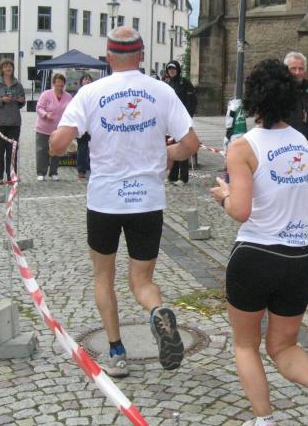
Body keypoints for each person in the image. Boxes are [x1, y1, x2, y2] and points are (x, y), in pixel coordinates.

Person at [209, 58, 308, 426]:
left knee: (246, 345)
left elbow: (241, 210)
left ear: (253, 100)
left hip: (255, 254)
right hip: (298, 257)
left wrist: (224, 195)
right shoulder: (302, 143)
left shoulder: (243, 146)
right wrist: (291, 198)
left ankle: (265, 425)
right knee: (284, 345)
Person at [50, 26, 201, 377]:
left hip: (105, 201)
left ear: (107, 56)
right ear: (141, 55)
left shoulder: (90, 92)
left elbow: (56, 145)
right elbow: (191, 144)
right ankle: (157, 312)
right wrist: (168, 154)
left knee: (103, 276)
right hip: (146, 201)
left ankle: (116, 351)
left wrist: (65, 137)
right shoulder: (162, 91)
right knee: (142, 281)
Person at [0, 59, 26, 184]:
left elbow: (22, 102)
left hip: (14, 122)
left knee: (12, 152)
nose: (8, 68)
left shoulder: (18, 84)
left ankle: (11, 176)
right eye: (5, 66)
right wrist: (2, 100)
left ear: (13, 68)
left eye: (10, 66)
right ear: (1, 69)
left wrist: (21, 100)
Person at [164, 60, 198, 185]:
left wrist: (188, 117)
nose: (172, 71)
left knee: (184, 147)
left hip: (182, 120)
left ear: (178, 69)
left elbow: (193, 101)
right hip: (171, 121)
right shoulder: (168, 84)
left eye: (173, 68)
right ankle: (172, 176)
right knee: (173, 147)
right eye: (169, 69)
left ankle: (183, 178)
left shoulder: (185, 83)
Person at [35, 74, 72, 181]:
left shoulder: (68, 96)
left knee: (56, 149)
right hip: (43, 128)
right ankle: (41, 172)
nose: (60, 84)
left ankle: (54, 172)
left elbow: (71, 110)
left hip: (59, 129)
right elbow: (39, 107)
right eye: (58, 81)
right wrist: (46, 114)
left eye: (62, 81)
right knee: (42, 150)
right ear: (54, 83)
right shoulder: (46, 94)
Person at [283, 51, 308, 146]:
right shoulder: (279, 96)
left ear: (305, 71)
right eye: (293, 68)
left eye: (301, 69)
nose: (297, 72)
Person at [76, 74, 93, 180]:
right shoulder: (78, 94)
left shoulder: (95, 93)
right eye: (85, 79)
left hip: (93, 124)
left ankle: (91, 168)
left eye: (89, 79)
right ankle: (81, 170)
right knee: (82, 147)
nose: (87, 81)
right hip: (82, 124)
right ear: (81, 82)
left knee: (94, 147)